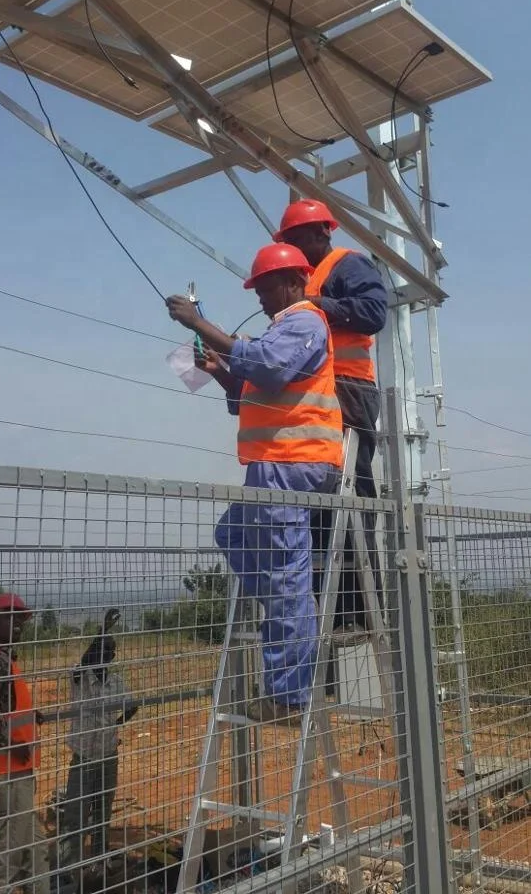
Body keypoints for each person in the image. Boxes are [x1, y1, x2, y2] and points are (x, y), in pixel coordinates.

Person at [166, 243, 343, 726]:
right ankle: (289, 614)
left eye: (264, 289)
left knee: (285, 574)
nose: (261, 298)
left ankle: (288, 697)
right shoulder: (282, 329)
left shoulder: (304, 321)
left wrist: (198, 324)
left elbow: (267, 366)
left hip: (292, 463)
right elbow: (252, 387)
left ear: (292, 282)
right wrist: (219, 370)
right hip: (273, 465)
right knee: (235, 537)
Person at [274, 199, 388, 633]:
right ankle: (332, 606)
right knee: (324, 498)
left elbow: (374, 313)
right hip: (321, 393)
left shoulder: (347, 265)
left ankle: (361, 608)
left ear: (323, 232)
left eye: (296, 238)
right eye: (287, 241)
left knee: (352, 493)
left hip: (348, 389)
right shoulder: (308, 279)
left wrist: (317, 302)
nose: (293, 247)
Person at [0, 593, 50, 894]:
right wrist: (11, 745)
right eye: (8, 617)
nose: (17, 624)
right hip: (7, 773)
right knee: (7, 859)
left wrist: (30, 713)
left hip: (5, 772)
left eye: (21, 618)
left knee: (35, 849)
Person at [59, 608, 138, 878]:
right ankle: (66, 870)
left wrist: (117, 725)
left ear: (112, 657)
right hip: (83, 757)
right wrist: (103, 629)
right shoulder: (80, 679)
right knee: (75, 814)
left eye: (109, 652)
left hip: (107, 755)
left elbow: (133, 704)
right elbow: (83, 661)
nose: (103, 656)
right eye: (100, 651)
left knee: (102, 813)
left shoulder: (116, 683)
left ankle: (100, 862)